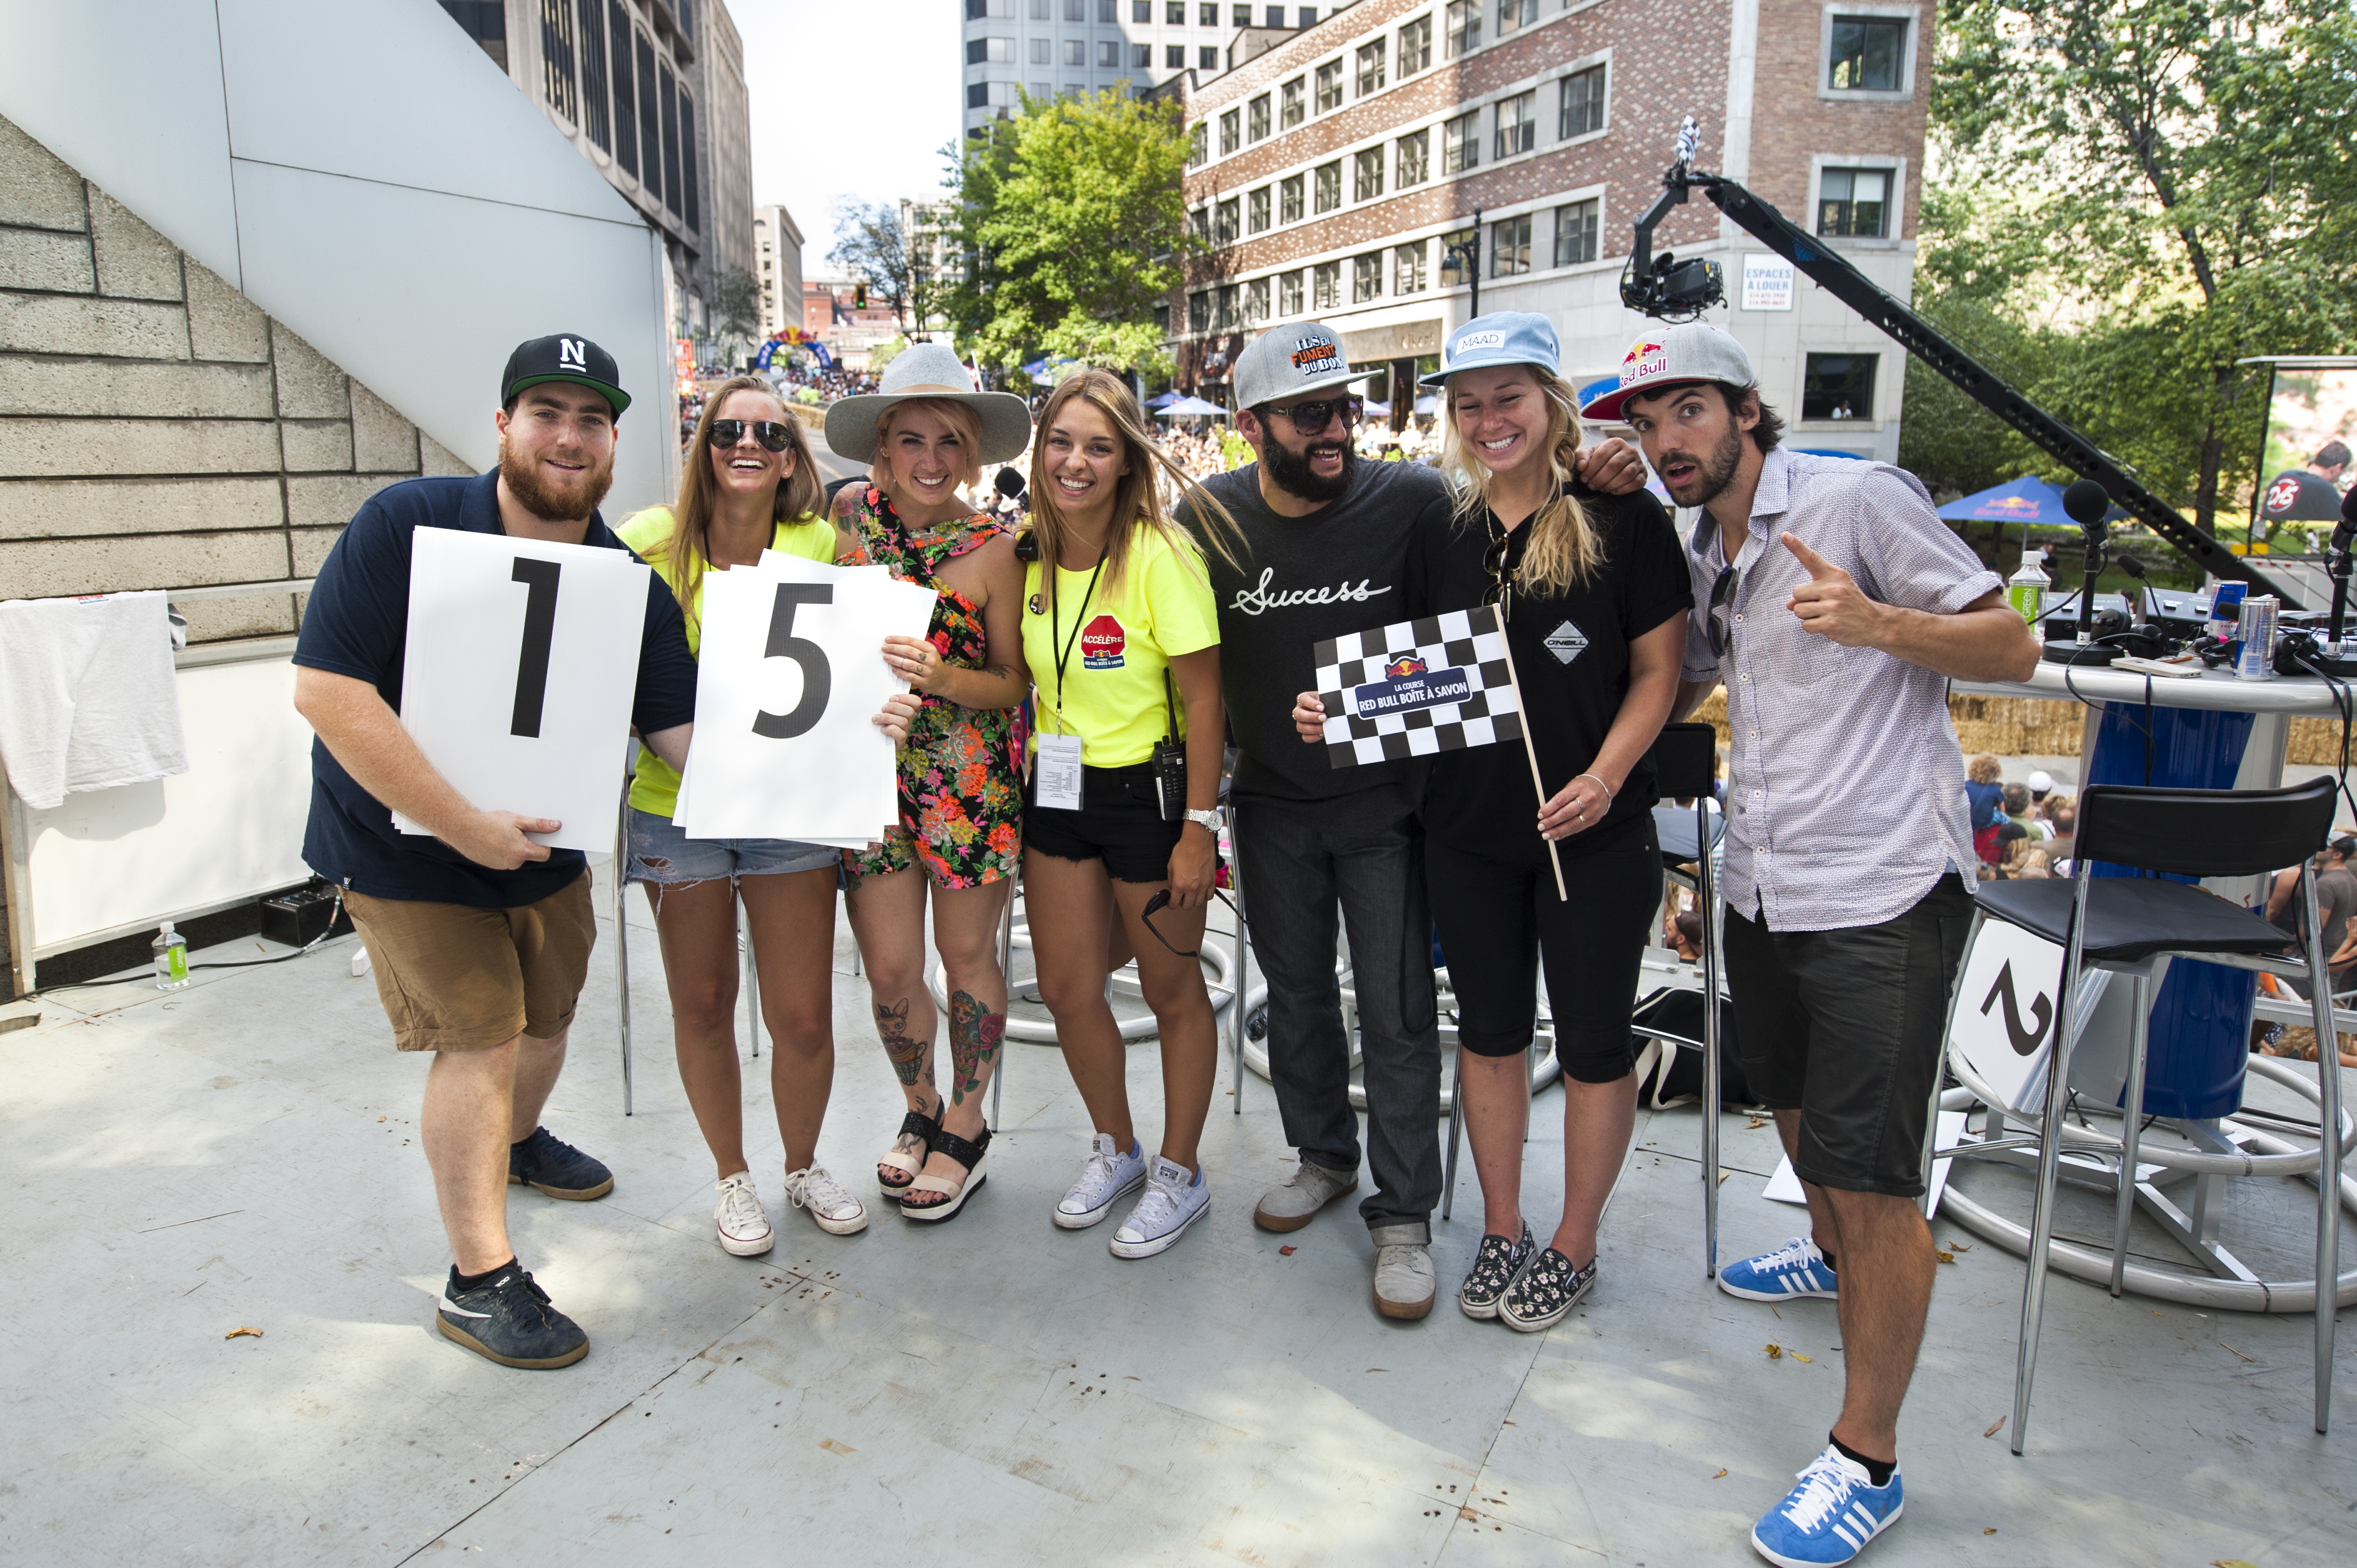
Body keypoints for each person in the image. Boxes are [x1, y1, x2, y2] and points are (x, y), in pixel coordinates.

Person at [1594, 321, 2040, 1564]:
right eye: (1645, 420)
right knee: (1787, 1097)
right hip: (1770, 880)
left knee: (1876, 1173)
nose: (1664, 438)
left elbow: (2013, 645)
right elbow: (1686, 679)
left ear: (1745, 409)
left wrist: (1880, 624)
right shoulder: (1702, 544)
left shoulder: (1854, 501)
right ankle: (1829, 1247)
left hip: (1883, 887)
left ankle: (1868, 1457)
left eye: (1686, 412)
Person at [1179, 318, 1647, 1320]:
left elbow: (1492, 598)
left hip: (1391, 807)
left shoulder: (1416, 499)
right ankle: (1324, 1158)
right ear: (1252, 422)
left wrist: (1606, 468)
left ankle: (1403, 1215)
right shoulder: (1208, 516)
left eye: (1344, 408)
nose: (1335, 430)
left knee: (1395, 1012)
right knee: (1298, 994)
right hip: (1268, 805)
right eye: (1310, 415)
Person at [292, 336, 698, 1370]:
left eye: (592, 420)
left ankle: (515, 1142)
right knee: (479, 1032)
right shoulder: (407, 523)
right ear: (504, 425)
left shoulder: (624, 583)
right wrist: (461, 818)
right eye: (547, 412)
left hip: (545, 848)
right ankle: (479, 1280)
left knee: (546, 1019)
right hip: (401, 845)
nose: (569, 436)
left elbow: (679, 736)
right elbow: (329, 692)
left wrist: (820, 753)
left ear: (613, 443)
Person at [1294, 314, 1691, 1330]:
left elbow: (1657, 674)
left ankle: (1573, 1240)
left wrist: (1604, 778)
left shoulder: (1623, 518)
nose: (1486, 419)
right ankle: (1504, 1226)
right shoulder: (1440, 524)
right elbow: (1415, 675)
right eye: (1466, 402)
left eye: (1507, 396)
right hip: (1467, 832)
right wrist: (1335, 709)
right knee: (1491, 1035)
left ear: (1549, 400)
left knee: (1597, 1044)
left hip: (1592, 839)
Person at [615, 376, 918, 1253]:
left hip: (792, 807)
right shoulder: (648, 544)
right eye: (728, 430)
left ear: (791, 458)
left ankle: (800, 1163)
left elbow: (870, 661)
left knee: (803, 1014)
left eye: (770, 434)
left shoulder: (822, 543)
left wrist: (892, 702)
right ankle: (730, 1178)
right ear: (702, 444)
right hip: (675, 814)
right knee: (704, 1003)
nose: (748, 444)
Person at [1021, 370, 1239, 1257]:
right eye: (1062, 442)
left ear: (1125, 462)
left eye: (1098, 446)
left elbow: (1206, 702)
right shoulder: (1025, 554)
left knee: (1171, 991)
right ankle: (1115, 1146)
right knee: (1072, 990)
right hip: (1057, 797)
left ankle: (1180, 1172)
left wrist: (1199, 828)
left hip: (1152, 803)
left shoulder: (1161, 554)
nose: (1076, 462)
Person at [823, 344, 1033, 1222]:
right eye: (913, 439)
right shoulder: (850, 523)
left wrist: (945, 680)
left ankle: (968, 1121)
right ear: (881, 448)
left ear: (974, 451)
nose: (932, 459)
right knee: (890, 969)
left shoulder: (993, 551)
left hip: (967, 788)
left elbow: (1015, 684)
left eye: (950, 440)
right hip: (869, 776)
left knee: (967, 958)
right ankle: (919, 1105)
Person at [2259, 440, 2349, 535]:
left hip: (2265, 539)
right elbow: (2343, 528)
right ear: (2338, 468)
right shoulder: (2325, 490)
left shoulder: (2284, 475)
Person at [1962, 754, 2005, 865]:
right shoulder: (1995, 789)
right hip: (1986, 822)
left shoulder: (1965, 785)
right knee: (2005, 818)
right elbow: (2002, 809)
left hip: (1968, 820)